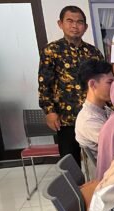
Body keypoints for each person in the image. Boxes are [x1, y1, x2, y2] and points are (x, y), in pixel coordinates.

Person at [38, 6, 103, 165]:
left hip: (92, 115)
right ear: (60, 24)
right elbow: (44, 83)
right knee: (70, 161)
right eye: (70, 21)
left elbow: (103, 82)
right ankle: (75, 189)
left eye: (79, 22)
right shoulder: (51, 50)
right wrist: (49, 111)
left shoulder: (93, 52)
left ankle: (97, 187)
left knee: (102, 156)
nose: (75, 26)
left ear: (85, 27)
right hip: (65, 117)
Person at [75, 59, 114, 161]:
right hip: (110, 172)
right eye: (110, 82)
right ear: (92, 84)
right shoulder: (88, 120)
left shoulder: (105, 110)